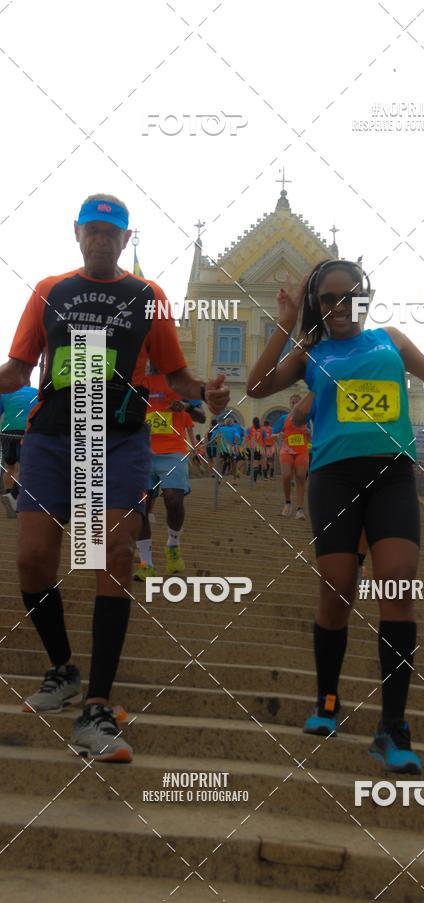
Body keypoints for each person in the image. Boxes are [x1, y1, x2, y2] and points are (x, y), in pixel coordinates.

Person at [0, 193, 229, 763]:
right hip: (53, 434)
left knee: (114, 554)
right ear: (77, 233)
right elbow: (18, 370)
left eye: (112, 232)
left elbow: (175, 375)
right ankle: (63, 670)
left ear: (126, 239)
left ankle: (97, 706)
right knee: (32, 559)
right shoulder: (49, 290)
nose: (101, 239)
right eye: (93, 230)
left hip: (120, 437)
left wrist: (205, 392)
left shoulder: (148, 296)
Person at [247, 259, 424, 773]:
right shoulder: (312, 351)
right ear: (317, 304)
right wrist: (287, 323)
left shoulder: (391, 340)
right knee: (337, 588)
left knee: (397, 584)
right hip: (334, 477)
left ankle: (393, 726)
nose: (339, 306)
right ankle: (327, 700)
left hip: (392, 475)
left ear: (366, 297)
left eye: (349, 296)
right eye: (328, 298)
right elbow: (257, 388)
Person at [134, 371, 197, 581]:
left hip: (173, 452)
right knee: (141, 507)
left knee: (173, 499)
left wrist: (186, 406)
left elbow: (201, 415)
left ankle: (173, 543)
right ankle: (146, 564)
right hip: (142, 452)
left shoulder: (180, 381)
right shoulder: (137, 379)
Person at [0, 383, 38, 516]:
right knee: (23, 466)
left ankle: (9, 494)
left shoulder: (5, 394)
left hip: (7, 430)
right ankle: (13, 497)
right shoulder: (36, 392)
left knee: (9, 466)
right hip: (26, 430)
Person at [271, 395, 311, 518]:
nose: (295, 404)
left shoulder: (307, 419)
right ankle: (287, 503)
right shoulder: (284, 418)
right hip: (286, 450)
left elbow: (311, 437)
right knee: (286, 475)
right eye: (293, 402)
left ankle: (300, 509)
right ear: (290, 404)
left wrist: (308, 433)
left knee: (300, 477)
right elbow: (272, 435)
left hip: (301, 451)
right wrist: (279, 435)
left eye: (297, 402)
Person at [245, 417, 265, 482]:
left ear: (253, 422)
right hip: (259, 447)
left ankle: (250, 476)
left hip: (250, 447)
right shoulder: (262, 429)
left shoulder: (249, 429)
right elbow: (264, 438)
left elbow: (246, 437)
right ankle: (254, 479)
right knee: (256, 463)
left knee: (251, 462)